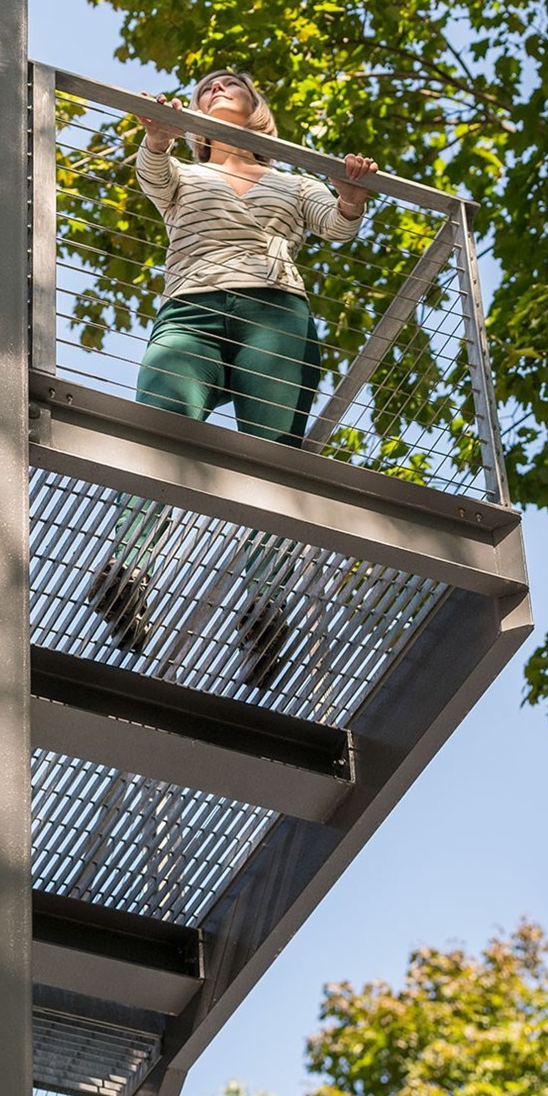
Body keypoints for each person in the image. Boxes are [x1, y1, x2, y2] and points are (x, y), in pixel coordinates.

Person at [88, 69, 378, 688]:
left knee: (268, 460)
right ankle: (128, 572)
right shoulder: (185, 174)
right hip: (192, 308)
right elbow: (154, 176)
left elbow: (335, 223)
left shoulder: (290, 181)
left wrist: (351, 194)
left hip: (275, 315)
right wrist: (159, 138)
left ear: (257, 108)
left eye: (230, 85)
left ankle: (265, 611)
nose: (215, 89)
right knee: (160, 429)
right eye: (206, 90)